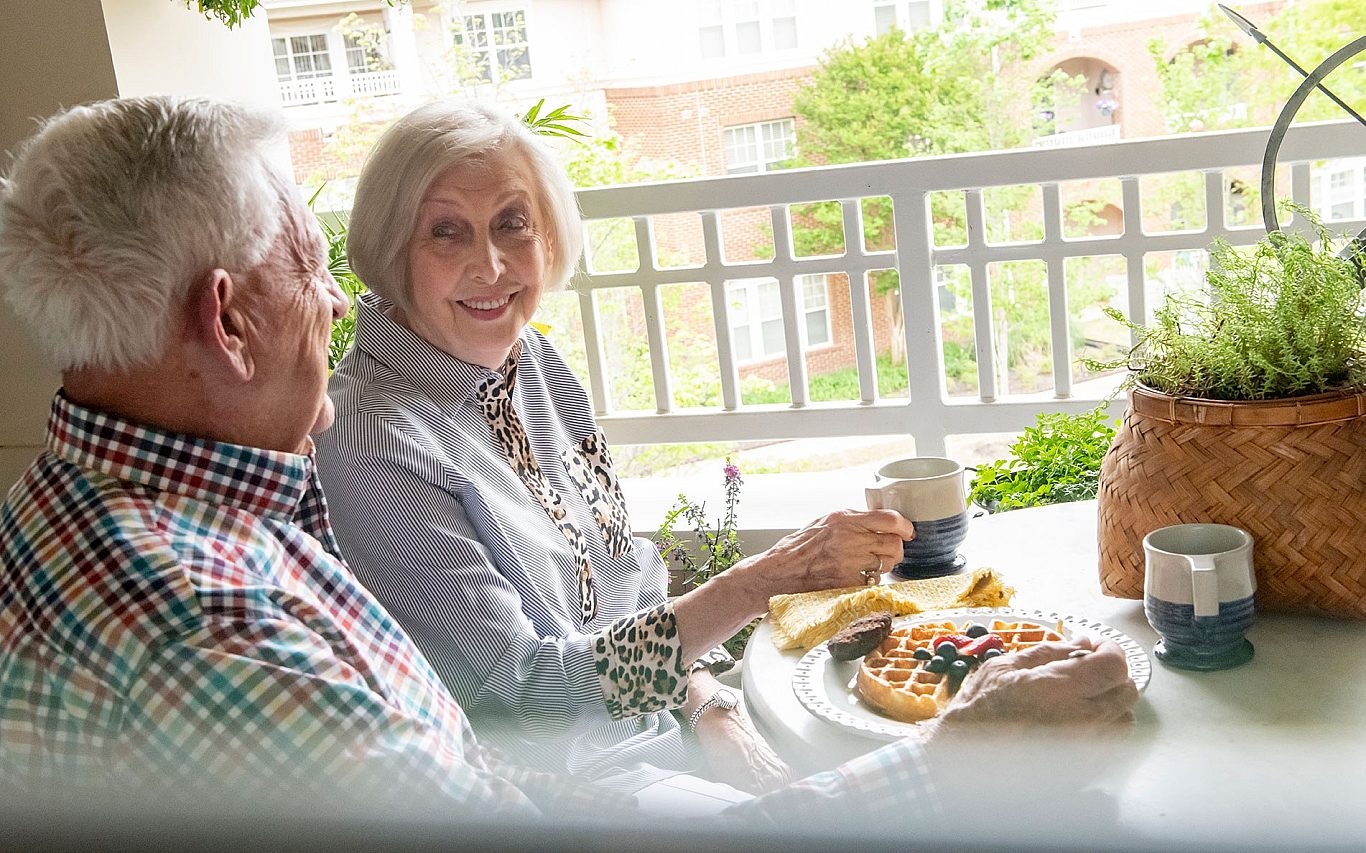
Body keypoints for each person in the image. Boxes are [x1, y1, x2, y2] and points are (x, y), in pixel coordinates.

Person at [0, 95, 1138, 825]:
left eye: (514, 223)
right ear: (228, 320)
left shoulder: (145, 505)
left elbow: (522, 722)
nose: (335, 296)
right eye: (307, 258)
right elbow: (518, 721)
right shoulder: (223, 618)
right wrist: (948, 765)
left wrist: (713, 719)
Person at [313, 98, 922, 801]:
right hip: (568, 790)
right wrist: (759, 582)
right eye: (445, 233)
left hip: (671, 725)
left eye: (512, 223)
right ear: (391, 252)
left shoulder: (532, 358)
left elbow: (627, 578)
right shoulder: (368, 440)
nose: (490, 264)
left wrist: (711, 709)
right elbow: (525, 695)